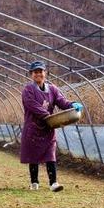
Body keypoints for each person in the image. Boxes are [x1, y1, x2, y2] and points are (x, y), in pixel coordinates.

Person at [20, 61, 83, 192]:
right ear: (31, 75)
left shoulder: (53, 89)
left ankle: (53, 183)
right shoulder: (28, 90)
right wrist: (48, 116)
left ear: (45, 73)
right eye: (35, 72)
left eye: (40, 72)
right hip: (33, 128)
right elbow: (32, 106)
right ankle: (34, 182)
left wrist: (72, 105)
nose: (38, 74)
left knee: (50, 154)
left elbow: (61, 101)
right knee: (34, 155)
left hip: (48, 128)